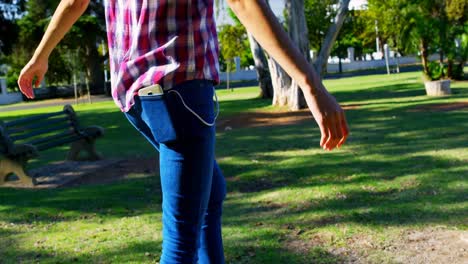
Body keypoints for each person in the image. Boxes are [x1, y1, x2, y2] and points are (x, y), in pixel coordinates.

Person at [18, 0, 349, 263]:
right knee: (180, 246)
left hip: (136, 97)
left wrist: (41, 55)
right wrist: (309, 82)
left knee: (211, 193)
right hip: (181, 89)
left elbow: (76, 2)